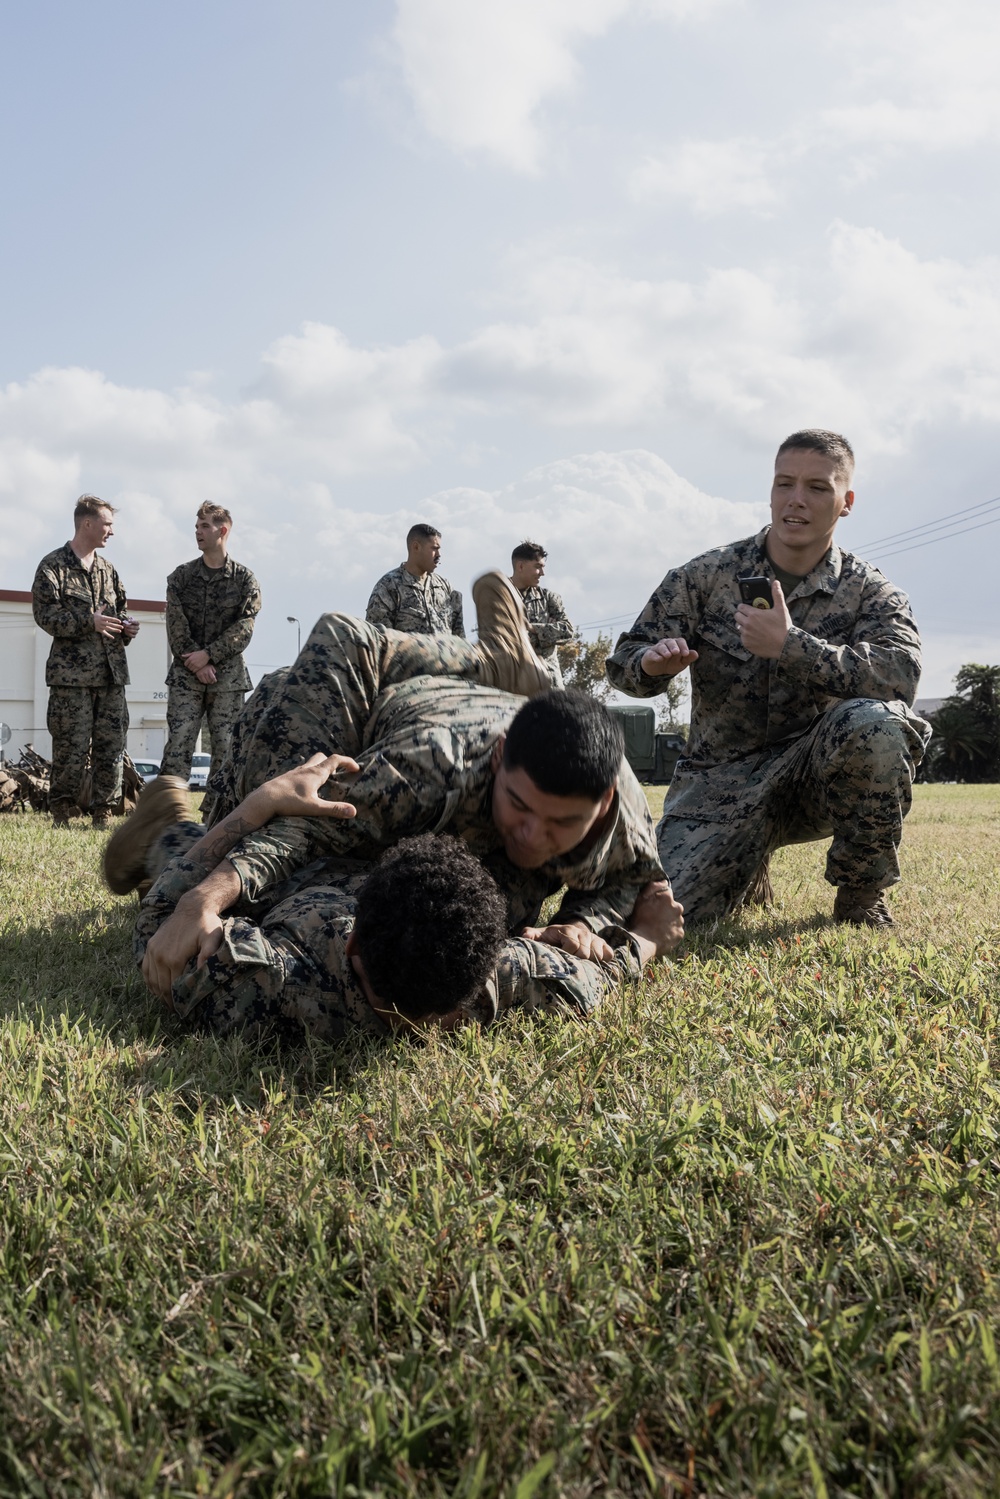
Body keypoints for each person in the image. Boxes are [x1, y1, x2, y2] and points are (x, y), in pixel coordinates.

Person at [121, 574, 677, 994]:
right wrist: (204, 897)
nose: (533, 836)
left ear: (602, 806)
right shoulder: (427, 769)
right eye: (520, 807)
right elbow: (301, 828)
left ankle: (170, 840)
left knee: (451, 932)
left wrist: (585, 921)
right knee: (256, 895)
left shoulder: (625, 826)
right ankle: (166, 840)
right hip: (359, 712)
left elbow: (630, 885)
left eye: (561, 826)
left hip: (471, 753)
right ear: (501, 761)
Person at [606, 429, 932, 929]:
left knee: (877, 724)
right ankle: (744, 857)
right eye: (784, 484)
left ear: (846, 502)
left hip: (815, 778)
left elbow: (900, 677)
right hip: (720, 783)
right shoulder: (706, 576)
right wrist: (650, 664)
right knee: (651, 919)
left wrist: (792, 646)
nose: (796, 500)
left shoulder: (871, 591)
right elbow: (623, 662)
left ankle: (861, 895)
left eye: (817, 488)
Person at [117, 762, 678, 1038]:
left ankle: (164, 827)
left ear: (355, 934)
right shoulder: (502, 979)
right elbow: (596, 975)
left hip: (284, 889)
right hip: (358, 877)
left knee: (187, 855)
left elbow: (162, 930)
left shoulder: (260, 982)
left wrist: (259, 806)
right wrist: (648, 939)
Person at [31, 495, 140, 829]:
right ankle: (62, 813)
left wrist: (127, 628)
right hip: (71, 678)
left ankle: (103, 814)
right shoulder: (54, 567)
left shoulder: (109, 571)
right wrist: (86, 622)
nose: (111, 532)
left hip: (110, 676)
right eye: (107, 524)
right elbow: (45, 615)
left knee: (111, 748)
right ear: (87, 524)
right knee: (70, 748)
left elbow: (118, 612)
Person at [160, 503, 261, 816]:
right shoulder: (181, 578)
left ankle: (216, 813)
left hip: (226, 678)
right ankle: (167, 812)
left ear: (223, 530)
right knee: (179, 743)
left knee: (227, 747)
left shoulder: (245, 580)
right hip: (186, 675)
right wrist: (197, 660)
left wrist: (210, 656)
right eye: (197, 526)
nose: (198, 532)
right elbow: (175, 626)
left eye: (204, 526)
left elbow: (244, 628)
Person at [366, 523, 464, 636]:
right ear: (416, 547)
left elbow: (459, 639)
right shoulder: (388, 587)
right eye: (434, 549)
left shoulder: (445, 587)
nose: (439, 555)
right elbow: (379, 640)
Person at [510, 540, 575, 688]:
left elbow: (568, 631)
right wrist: (548, 631)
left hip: (548, 682)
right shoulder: (499, 597)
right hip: (512, 682)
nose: (543, 573)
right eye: (538, 567)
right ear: (520, 566)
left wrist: (533, 628)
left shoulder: (549, 598)